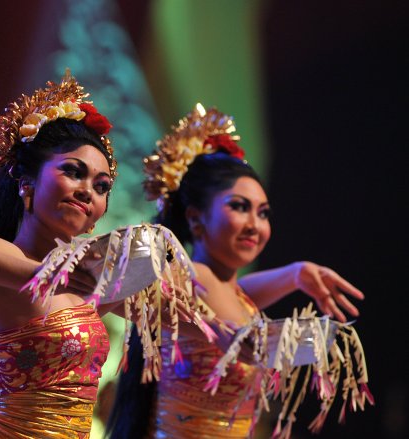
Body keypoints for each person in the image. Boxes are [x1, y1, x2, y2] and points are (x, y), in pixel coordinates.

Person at [106, 104, 364, 438]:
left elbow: (237, 295)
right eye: (239, 207)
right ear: (196, 219)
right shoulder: (189, 276)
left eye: (264, 213)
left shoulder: (232, 296)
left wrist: (296, 274)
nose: (255, 225)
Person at [0, 72, 121, 438]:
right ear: (25, 180)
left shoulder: (88, 280)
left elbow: (182, 318)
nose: (87, 191)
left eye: (101, 185)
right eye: (72, 172)